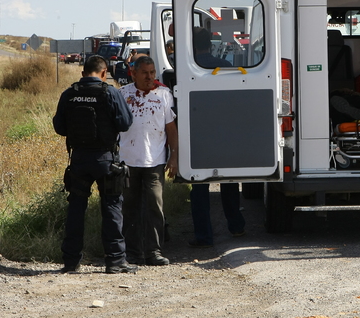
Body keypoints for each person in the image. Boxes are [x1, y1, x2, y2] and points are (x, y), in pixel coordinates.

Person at [53, 55, 137, 274]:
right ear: (103, 73)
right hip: (106, 160)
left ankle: (71, 262)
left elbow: (59, 127)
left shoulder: (69, 94)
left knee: (76, 209)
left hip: (79, 160)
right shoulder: (110, 92)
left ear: (83, 73)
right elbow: (125, 123)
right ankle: (115, 261)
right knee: (111, 208)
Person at [188, 27, 246, 247]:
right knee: (229, 181)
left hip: (199, 132)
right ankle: (236, 226)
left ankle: (204, 236)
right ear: (210, 45)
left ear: (191, 46)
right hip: (225, 132)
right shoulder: (227, 67)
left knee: (199, 184)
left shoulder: (188, 69)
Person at [119, 55, 178, 265]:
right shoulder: (122, 94)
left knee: (155, 205)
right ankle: (132, 253)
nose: (149, 77)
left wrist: (174, 157)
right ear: (133, 74)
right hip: (127, 162)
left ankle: (154, 252)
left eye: (152, 72)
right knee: (129, 209)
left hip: (155, 162)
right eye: (144, 73)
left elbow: (171, 128)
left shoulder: (163, 94)